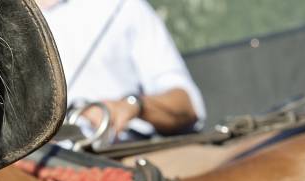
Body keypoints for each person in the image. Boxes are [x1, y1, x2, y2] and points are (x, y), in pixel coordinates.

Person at [37, 0, 206, 142]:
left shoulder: (123, 6)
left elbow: (187, 107)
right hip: (31, 165)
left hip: (121, 154)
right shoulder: (10, 23)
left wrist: (132, 106)